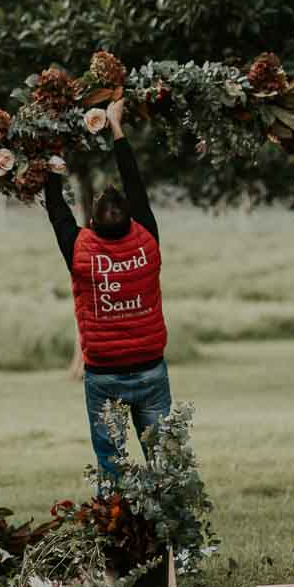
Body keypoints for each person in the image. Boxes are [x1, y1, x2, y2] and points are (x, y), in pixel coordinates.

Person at [43, 98, 171, 482]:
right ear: (132, 216)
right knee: (167, 466)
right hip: (150, 372)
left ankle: (118, 536)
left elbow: (57, 210)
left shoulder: (80, 249)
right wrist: (116, 127)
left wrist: (54, 164)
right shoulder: (146, 239)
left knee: (112, 470)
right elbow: (135, 182)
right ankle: (173, 535)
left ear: (93, 222)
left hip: (104, 377)